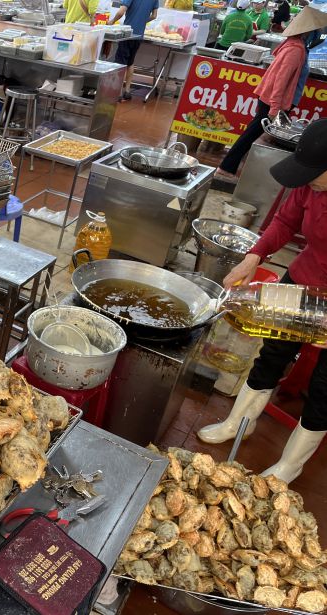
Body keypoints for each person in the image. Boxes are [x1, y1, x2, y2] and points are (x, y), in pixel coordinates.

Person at [197, 119, 327, 484]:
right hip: (303, 279)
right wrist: (254, 257)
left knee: (324, 387)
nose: (309, 181)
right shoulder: (309, 186)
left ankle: (290, 465)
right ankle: (239, 422)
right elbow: (285, 221)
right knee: (273, 352)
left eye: (315, 175)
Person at [216, 7, 327, 178]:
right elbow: (281, 81)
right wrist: (275, 108)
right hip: (274, 100)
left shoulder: (296, 45)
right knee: (252, 134)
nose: (318, 33)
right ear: (308, 31)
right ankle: (226, 168)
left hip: (273, 99)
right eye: (316, 31)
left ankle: (233, 167)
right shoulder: (295, 50)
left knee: (256, 134)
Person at [108, 0, 159, 101]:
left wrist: (112, 21)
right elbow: (154, 16)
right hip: (139, 35)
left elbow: (121, 12)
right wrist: (141, 21)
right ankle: (127, 91)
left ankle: (117, 93)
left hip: (127, 34)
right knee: (130, 62)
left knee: (120, 64)